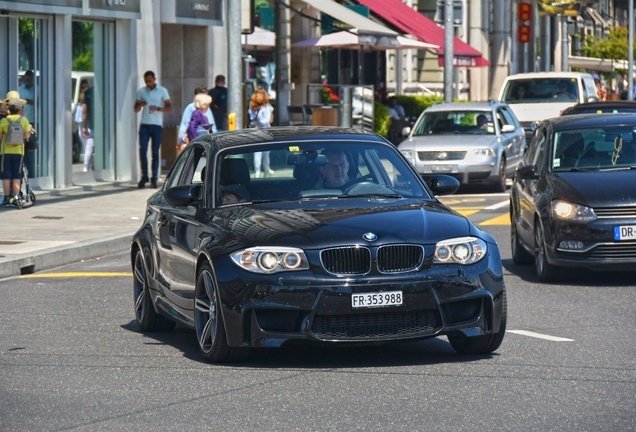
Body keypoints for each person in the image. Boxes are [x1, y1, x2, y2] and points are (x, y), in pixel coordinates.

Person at [134, 71, 172, 189]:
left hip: (156, 125)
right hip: (145, 124)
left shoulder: (162, 91)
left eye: (150, 81)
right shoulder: (142, 91)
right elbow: (135, 109)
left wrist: (159, 108)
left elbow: (169, 108)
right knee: (143, 150)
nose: (148, 83)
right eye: (146, 82)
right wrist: (140, 104)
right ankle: (144, 175)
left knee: (155, 152)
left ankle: (154, 178)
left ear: (154, 79)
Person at [0, 95, 31, 207]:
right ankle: (16, 196)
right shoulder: (24, 120)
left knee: (6, 176)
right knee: (17, 175)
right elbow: (27, 135)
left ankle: (7, 197)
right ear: (20, 109)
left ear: (8, 108)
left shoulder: (4, 120)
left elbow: (0, 137)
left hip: (5, 152)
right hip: (19, 152)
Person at [178, 85, 216, 151]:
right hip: (199, 143)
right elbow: (186, 127)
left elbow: (212, 126)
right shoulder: (192, 109)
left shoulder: (207, 109)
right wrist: (182, 142)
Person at [248, 88, 274, 177]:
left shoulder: (252, 107)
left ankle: (257, 171)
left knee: (257, 152)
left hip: (256, 130)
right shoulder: (266, 107)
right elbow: (267, 121)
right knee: (266, 152)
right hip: (266, 131)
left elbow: (252, 119)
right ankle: (266, 169)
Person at [76, 80, 94, 172]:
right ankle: (86, 166)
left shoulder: (80, 101)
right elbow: (84, 114)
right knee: (89, 147)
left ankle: (91, 166)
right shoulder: (85, 100)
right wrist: (84, 127)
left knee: (87, 147)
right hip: (86, 126)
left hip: (82, 126)